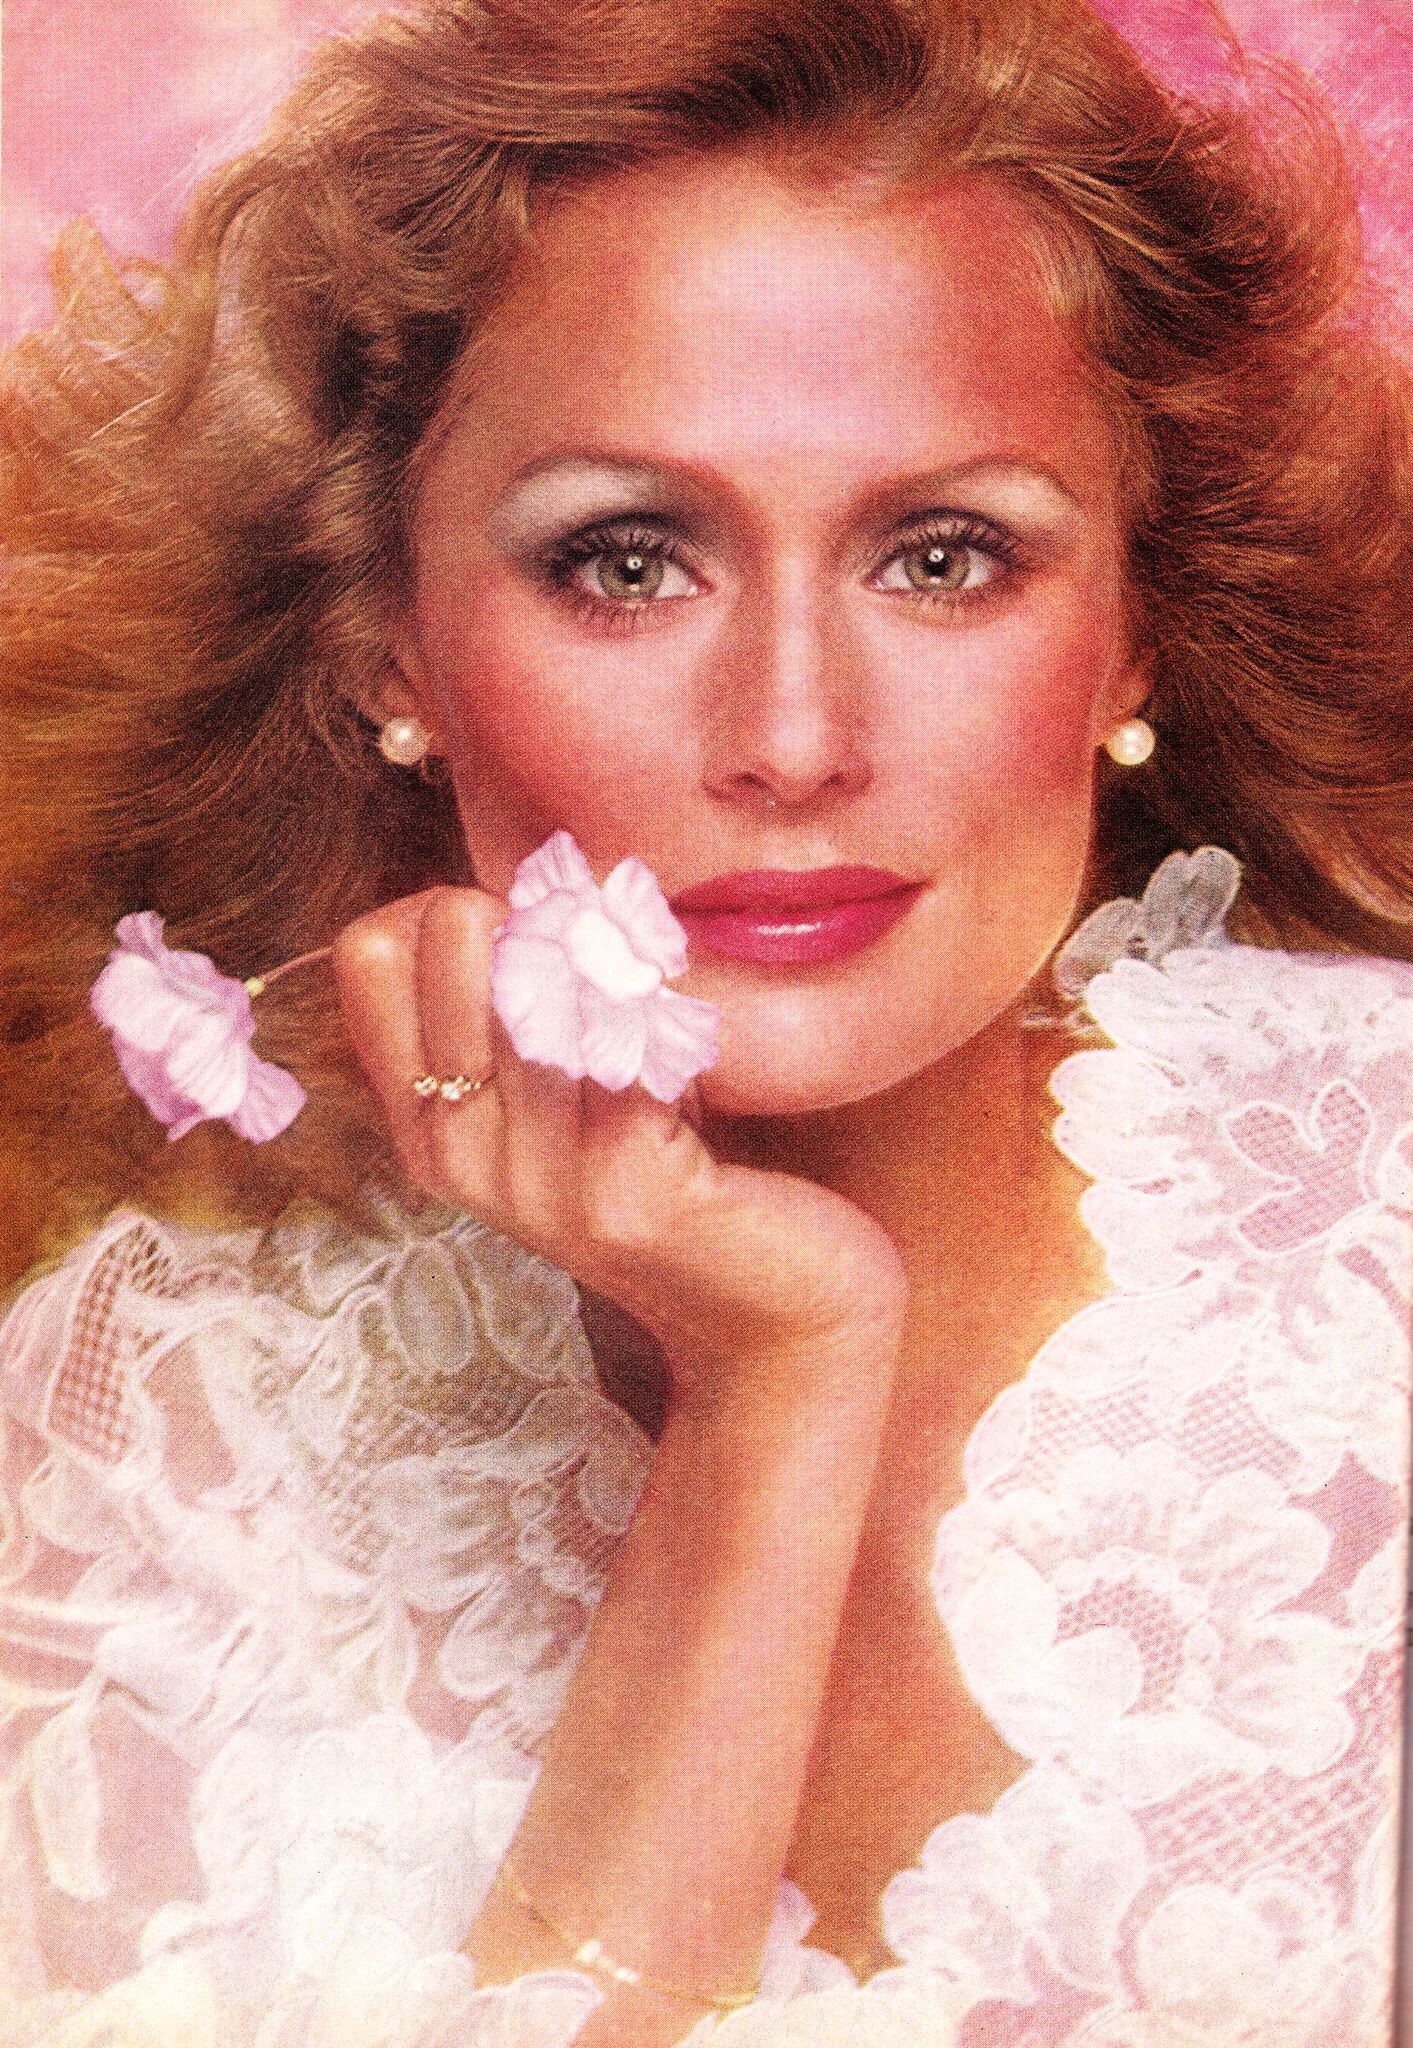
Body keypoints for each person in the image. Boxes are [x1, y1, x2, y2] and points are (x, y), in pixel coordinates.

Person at [1, 0, 1411, 2041]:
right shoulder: (163, 1438)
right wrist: (771, 1390)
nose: (792, 735)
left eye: (944, 557)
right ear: (388, 644)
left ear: (1134, 625)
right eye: (627, 561)